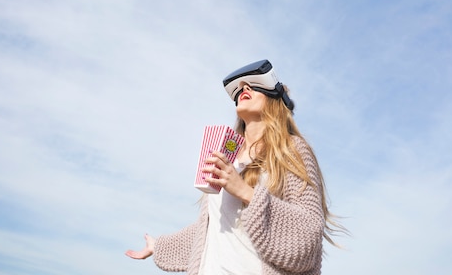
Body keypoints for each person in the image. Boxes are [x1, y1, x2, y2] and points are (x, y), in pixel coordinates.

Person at [125, 59, 345, 274]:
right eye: (239, 89)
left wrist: (244, 191)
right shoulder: (228, 154)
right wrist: (159, 246)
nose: (243, 88)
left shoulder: (291, 149)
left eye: (253, 85)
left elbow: (309, 233)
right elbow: (212, 229)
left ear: (276, 99)